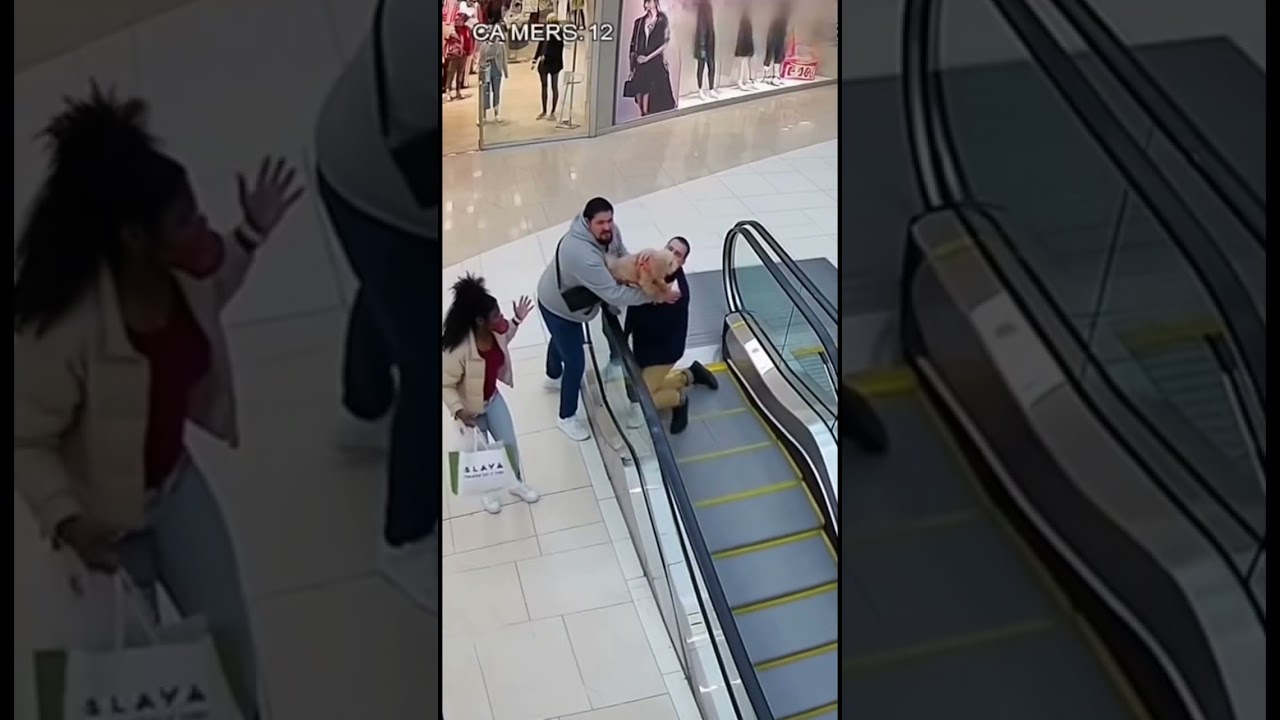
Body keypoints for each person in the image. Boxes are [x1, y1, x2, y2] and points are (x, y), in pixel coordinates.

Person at [12, 86, 303, 719]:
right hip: (100, 525)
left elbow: (217, 282)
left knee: (228, 648)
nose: (202, 230)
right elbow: (25, 439)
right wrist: (68, 522)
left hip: (173, 487)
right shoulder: (68, 328)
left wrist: (250, 233)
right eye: (184, 222)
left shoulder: (184, 275)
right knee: (133, 678)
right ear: (135, 238)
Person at [313, 0, 441, 612]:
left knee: (388, 296)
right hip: (388, 198)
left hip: (354, 160)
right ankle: (408, 539)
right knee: (431, 365)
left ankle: (363, 414)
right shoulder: (428, 35)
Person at [535, 197, 681, 441]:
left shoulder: (610, 234)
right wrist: (654, 296)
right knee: (575, 361)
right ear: (587, 222)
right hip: (557, 307)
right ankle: (566, 417)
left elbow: (622, 256)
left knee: (561, 341)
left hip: (572, 306)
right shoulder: (580, 254)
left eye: (610, 220)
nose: (607, 227)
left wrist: (643, 257)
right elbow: (613, 293)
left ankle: (552, 377)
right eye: (600, 222)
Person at [441, 275, 541, 514]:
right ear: (479, 321)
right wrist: (459, 410)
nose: (501, 318)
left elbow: (506, 337)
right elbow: (445, 384)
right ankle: (487, 493)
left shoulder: (494, 333)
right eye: (495, 315)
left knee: (509, 443)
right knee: (479, 454)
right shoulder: (459, 349)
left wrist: (517, 319)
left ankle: (515, 482)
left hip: (492, 399)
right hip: (470, 412)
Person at [624, 237, 719, 433]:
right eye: (670, 248)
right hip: (644, 346)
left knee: (645, 396)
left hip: (663, 352)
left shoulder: (677, 293)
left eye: (678, 254)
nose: (672, 255)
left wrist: (644, 296)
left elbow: (653, 323)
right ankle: (691, 374)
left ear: (682, 262)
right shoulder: (649, 267)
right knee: (644, 386)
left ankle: (679, 400)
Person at [628, 0, 676, 116]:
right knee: (639, 89)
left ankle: (648, 115)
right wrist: (632, 66)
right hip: (640, 61)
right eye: (645, 2)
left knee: (655, 91)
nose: (647, 5)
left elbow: (665, 43)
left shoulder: (663, 21)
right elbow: (633, 45)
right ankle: (643, 114)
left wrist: (649, 57)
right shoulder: (639, 22)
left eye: (649, 1)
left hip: (654, 61)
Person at [532, 15, 566, 120]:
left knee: (551, 87)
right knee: (548, 87)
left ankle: (551, 112)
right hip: (550, 62)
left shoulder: (557, 32)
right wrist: (535, 58)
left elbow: (549, 46)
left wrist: (541, 57)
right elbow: (541, 44)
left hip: (551, 62)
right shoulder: (549, 31)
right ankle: (547, 111)